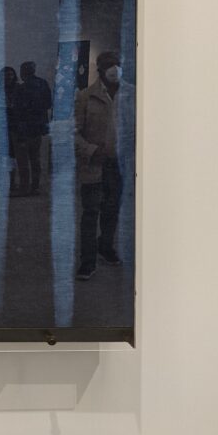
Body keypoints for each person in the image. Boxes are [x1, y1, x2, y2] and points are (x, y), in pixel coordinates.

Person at [74, 51, 135, 280]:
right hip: (95, 165)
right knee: (91, 213)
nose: (113, 68)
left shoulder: (132, 94)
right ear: (99, 69)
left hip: (119, 165)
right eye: (108, 64)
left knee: (112, 210)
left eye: (116, 64)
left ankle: (105, 246)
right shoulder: (86, 97)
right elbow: (73, 132)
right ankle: (87, 261)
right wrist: (91, 150)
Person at [13, 61, 52, 195]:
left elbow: (17, 110)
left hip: (24, 128)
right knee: (35, 159)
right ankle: (35, 186)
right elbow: (48, 104)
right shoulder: (43, 84)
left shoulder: (21, 88)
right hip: (38, 127)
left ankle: (24, 187)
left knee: (23, 160)